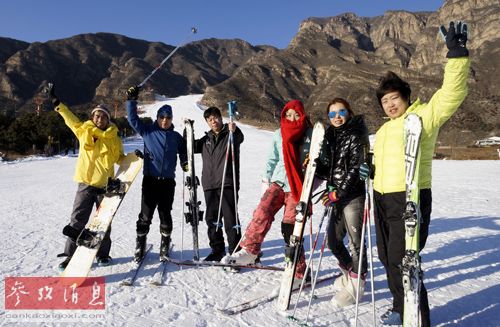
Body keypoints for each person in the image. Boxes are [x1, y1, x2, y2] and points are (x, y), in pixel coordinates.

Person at [372, 22, 470, 326]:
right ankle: (402, 309)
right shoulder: (384, 129)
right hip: (381, 197)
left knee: (406, 262)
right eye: (384, 101)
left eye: (393, 98)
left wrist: (457, 55)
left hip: (410, 197)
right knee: (387, 259)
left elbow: (451, 94)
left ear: (405, 96)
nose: (389, 104)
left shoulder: (423, 116)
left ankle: (418, 319)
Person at [222, 100, 312, 282]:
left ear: (302, 115)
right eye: (289, 114)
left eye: (296, 114)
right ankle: (250, 251)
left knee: (291, 230)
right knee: (262, 212)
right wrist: (266, 179)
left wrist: (312, 184)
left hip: (298, 187)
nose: (292, 118)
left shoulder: (311, 135)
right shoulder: (279, 133)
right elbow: (272, 159)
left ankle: (300, 272)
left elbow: (319, 161)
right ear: (284, 116)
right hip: (279, 181)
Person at [49, 86, 124, 270]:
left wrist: (135, 158)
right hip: (85, 185)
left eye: (103, 116)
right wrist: (58, 105)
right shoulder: (84, 131)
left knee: (104, 222)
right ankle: (69, 255)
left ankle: (103, 254)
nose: (100, 119)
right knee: (77, 221)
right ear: (93, 117)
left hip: (106, 188)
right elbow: (70, 119)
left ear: (108, 119)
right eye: (97, 115)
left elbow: (120, 157)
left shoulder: (113, 137)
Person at [316, 98, 369, 307]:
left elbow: (356, 168)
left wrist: (338, 192)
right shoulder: (331, 136)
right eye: (332, 114)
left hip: (352, 195)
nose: (337, 117)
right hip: (335, 195)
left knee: (356, 244)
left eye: (341, 112)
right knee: (333, 241)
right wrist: (315, 165)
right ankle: (351, 274)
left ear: (349, 112)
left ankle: (357, 287)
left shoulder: (356, 134)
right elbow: (329, 167)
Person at [126, 86, 187, 261]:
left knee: (165, 214)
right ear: (157, 117)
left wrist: (184, 162)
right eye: (162, 117)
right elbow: (132, 119)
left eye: (168, 118)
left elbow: (183, 151)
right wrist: (131, 100)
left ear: (171, 119)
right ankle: (140, 245)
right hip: (150, 180)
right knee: (145, 215)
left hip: (168, 182)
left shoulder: (176, 137)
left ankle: (164, 246)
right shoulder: (148, 131)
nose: (165, 120)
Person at [194, 107, 244, 262]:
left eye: (215, 117)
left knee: (230, 218)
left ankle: (236, 250)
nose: (213, 121)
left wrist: (234, 130)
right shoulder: (206, 139)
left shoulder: (230, 134)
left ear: (221, 118)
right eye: (209, 119)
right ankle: (217, 250)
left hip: (227, 182)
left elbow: (239, 138)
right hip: (209, 184)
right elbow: (191, 147)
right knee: (212, 219)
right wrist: (187, 132)